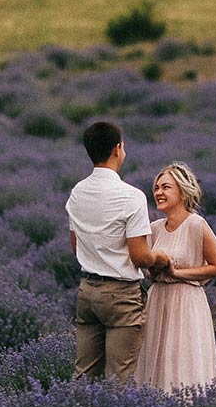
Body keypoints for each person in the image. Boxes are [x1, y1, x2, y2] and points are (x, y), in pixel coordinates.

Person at [66, 121, 170, 382]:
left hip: (87, 291)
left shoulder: (77, 192)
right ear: (117, 149)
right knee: (119, 379)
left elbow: (75, 244)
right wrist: (160, 257)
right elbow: (140, 256)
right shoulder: (131, 196)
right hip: (121, 295)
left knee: (83, 376)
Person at [134, 161, 216, 393]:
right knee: (155, 357)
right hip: (157, 301)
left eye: (166, 187)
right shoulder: (154, 228)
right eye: (156, 187)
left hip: (186, 302)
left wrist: (178, 273)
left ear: (183, 192)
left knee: (182, 360)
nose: (158, 192)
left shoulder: (197, 224)